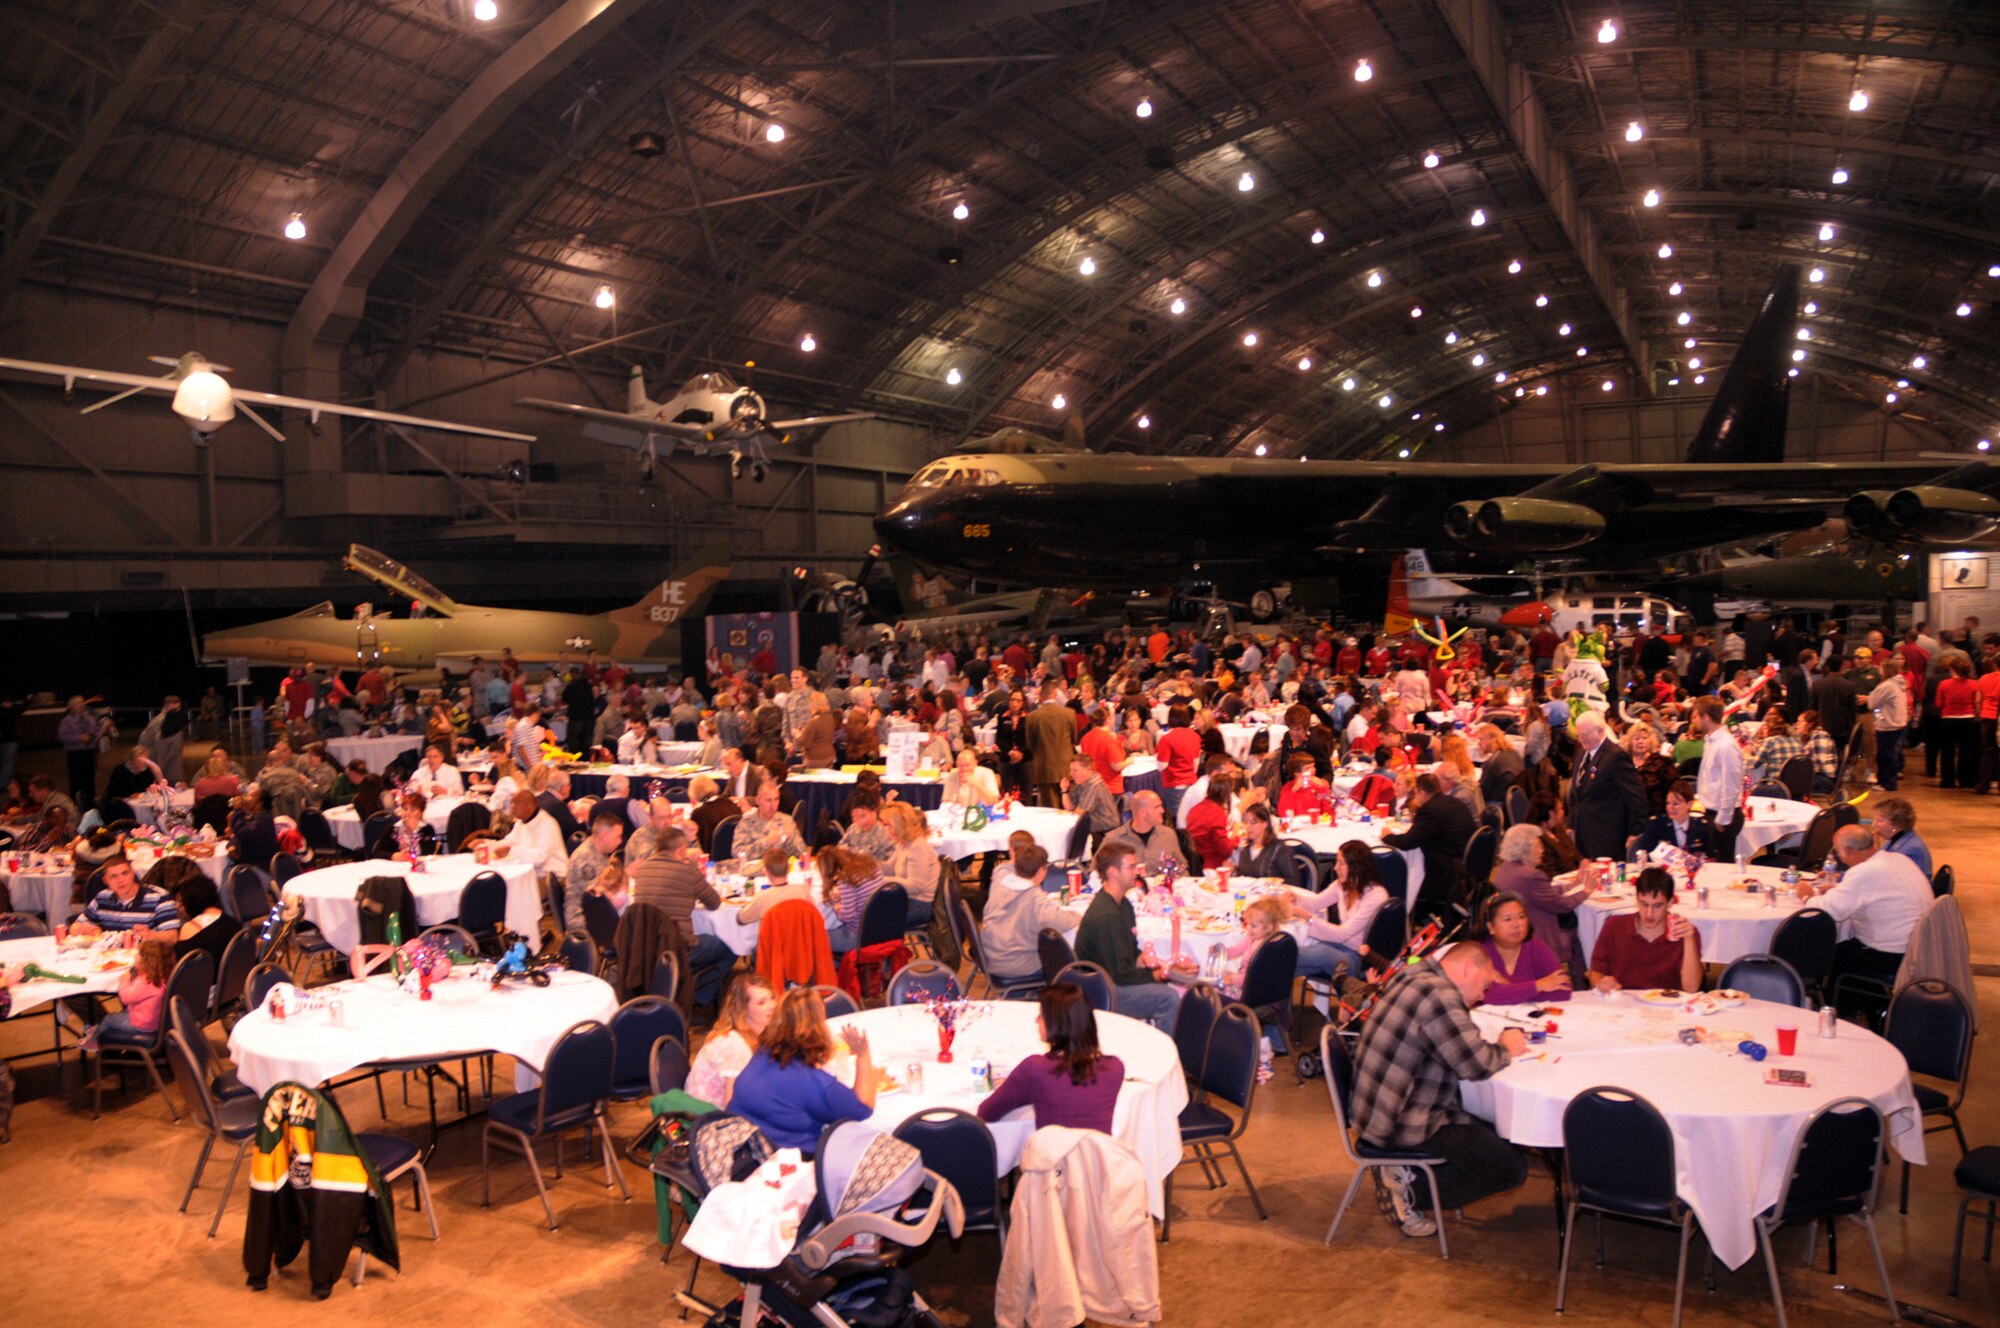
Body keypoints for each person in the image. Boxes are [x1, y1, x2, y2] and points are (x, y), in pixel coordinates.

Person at [1349, 942, 1527, 1238]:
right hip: (1402, 1122)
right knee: (1510, 1168)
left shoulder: (1417, 974)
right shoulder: (1440, 996)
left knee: (1496, 1131)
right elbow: (1476, 1065)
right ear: (1469, 967)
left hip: (1377, 1110)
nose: (1482, 996)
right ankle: (1409, 1191)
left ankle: (1405, 1174)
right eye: (1483, 986)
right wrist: (1507, 1048)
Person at [729, 988, 877, 1153]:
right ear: (819, 1028)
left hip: (741, 1147)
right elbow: (863, 1107)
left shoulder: (763, 1053)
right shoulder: (811, 1081)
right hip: (787, 1162)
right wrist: (864, 1056)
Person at [978, 981, 1125, 1134]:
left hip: (1052, 1157)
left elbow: (987, 1113)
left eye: (1041, 1015)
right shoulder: (1115, 1068)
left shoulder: (1035, 1069)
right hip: (1098, 1157)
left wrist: (1020, 1087)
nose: (1036, 1020)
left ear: (1056, 1024)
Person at [1797, 824, 1932, 990]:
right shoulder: (1899, 859)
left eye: (1839, 852)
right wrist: (1840, 890)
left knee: (1821, 953)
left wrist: (1807, 895)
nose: (1840, 857)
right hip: (1918, 948)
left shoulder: (1865, 872)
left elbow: (1827, 912)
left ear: (1849, 851)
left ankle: (1833, 1005)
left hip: (1889, 955)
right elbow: (1872, 893)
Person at [1073, 840, 1183, 1032]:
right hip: (1102, 990)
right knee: (1169, 998)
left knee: (1174, 981)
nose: (1137, 871)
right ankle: (1164, 1055)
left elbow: (1129, 952)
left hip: (1111, 978)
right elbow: (1121, 975)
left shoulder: (1123, 904)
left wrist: (1150, 962)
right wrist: (1158, 974)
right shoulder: (1107, 916)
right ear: (1113, 871)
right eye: (1131, 867)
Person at [626, 827, 733, 1004]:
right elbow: (714, 902)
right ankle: (700, 995)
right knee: (730, 944)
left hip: (645, 945)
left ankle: (685, 988)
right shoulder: (687, 870)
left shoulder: (642, 869)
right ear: (681, 850)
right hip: (679, 946)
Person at [1586, 867, 1702, 994]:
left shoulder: (1683, 932)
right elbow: (1596, 972)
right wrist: (1601, 982)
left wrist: (1689, 940)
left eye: (1657, 906)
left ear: (1670, 903)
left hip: (1667, 1004)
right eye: (1644, 904)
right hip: (1624, 1003)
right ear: (1636, 900)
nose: (1649, 913)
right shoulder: (1614, 926)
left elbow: (1691, 988)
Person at [1490, 822, 1585, 971]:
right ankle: (1580, 983)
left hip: (1516, 930)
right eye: (1538, 846)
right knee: (1583, 931)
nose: (1542, 851)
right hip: (1540, 934)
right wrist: (1587, 891)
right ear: (1524, 850)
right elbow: (1562, 905)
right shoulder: (1532, 876)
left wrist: (1571, 885)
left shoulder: (1504, 869)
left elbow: (1541, 893)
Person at [1381, 773, 1475, 923]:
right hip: (1463, 864)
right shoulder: (1455, 802)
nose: (1415, 797)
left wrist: (1387, 836)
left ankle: (1404, 914)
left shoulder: (1430, 810)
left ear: (1423, 793)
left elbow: (1407, 843)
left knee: (1405, 868)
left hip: (1444, 871)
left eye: (1416, 793)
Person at [1288, 840, 1388, 980]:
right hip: (1339, 947)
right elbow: (1316, 903)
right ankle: (1272, 992)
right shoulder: (1342, 886)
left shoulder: (1375, 895)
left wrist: (1308, 918)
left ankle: (1268, 957)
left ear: (1355, 866)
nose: (1335, 868)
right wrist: (1295, 898)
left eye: (1341, 863)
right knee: (1289, 967)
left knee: (1318, 952)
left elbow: (1342, 934)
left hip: (1359, 958)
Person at [978, 841, 1071, 987]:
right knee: (1064, 958)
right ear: (1041, 870)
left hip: (992, 956)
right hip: (1017, 965)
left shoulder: (1002, 885)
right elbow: (1059, 922)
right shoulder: (1033, 896)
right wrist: (1079, 916)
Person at [1565, 711, 1648, 861]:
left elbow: (1637, 798)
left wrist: (1635, 832)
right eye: (1579, 735)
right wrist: (1571, 824)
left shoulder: (1616, 756)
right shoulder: (1581, 754)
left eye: (1585, 735)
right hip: (1583, 835)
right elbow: (1575, 795)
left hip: (1608, 837)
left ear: (1600, 731)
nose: (1581, 739)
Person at [685, 973, 777, 1109]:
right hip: (712, 1119)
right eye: (761, 1002)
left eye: (772, 998)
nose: (772, 1006)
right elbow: (732, 1104)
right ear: (743, 1010)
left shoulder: (748, 1035)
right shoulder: (734, 1046)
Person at [77, 938, 175, 1054]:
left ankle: (94, 1041)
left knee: (109, 1019)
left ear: (147, 961)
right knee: (121, 1014)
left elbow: (125, 998)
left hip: (142, 1025)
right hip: (155, 1022)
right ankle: (98, 1028)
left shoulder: (147, 982)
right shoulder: (162, 978)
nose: (135, 958)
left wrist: (125, 980)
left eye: (138, 955)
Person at [1476, 892, 1571, 1005]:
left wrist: (1509, 987)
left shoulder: (1536, 946)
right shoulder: (1479, 952)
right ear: (1490, 927)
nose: (1517, 924)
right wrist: (1539, 985)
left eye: (1521, 917)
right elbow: (1487, 996)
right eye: (1508, 919)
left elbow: (1564, 990)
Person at [817, 845, 887, 958]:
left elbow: (847, 916)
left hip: (859, 935)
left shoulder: (845, 879)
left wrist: (836, 905)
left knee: (813, 936)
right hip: (882, 927)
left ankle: (833, 970)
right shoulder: (870, 864)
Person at [563, 809, 626, 933]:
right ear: (603, 835)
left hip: (595, 912)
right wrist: (626, 875)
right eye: (617, 837)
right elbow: (600, 899)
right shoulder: (585, 858)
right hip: (582, 919)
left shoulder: (599, 851)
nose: (620, 841)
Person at [880, 802, 939, 927]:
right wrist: (866, 865)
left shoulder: (918, 847)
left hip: (920, 905)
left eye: (887, 825)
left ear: (899, 826)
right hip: (908, 899)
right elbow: (889, 868)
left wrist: (882, 880)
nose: (885, 828)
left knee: (873, 919)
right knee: (866, 911)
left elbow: (915, 886)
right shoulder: (904, 843)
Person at [1101, 789, 1187, 875]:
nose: (1162, 810)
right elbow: (1096, 872)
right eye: (1157, 807)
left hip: (1163, 886)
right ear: (1142, 813)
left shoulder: (1168, 835)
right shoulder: (1113, 839)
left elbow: (1182, 869)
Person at [1632, 779, 1716, 859]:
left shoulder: (1702, 827)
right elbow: (1645, 854)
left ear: (1689, 804)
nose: (1670, 808)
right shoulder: (1656, 825)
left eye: (1676, 804)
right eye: (1668, 803)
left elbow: (1708, 856)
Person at [1025, 683, 1078, 807]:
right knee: (1069, 805)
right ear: (1055, 694)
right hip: (1066, 766)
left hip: (1044, 767)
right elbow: (1074, 739)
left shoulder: (1032, 717)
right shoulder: (1069, 713)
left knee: (1050, 808)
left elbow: (1030, 744)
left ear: (1041, 695)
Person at [731, 779, 806, 864]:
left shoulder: (786, 820)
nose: (773, 805)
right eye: (768, 800)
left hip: (780, 871)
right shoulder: (747, 823)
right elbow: (737, 853)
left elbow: (802, 852)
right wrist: (767, 841)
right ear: (758, 800)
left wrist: (790, 839)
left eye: (776, 799)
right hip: (754, 872)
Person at [500, 789, 570, 880]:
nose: (513, 807)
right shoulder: (520, 823)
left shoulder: (546, 824)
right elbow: (508, 841)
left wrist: (511, 851)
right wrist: (488, 845)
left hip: (552, 879)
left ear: (531, 805)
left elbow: (540, 859)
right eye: (512, 803)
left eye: (517, 803)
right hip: (531, 874)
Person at [1061, 753, 1119, 851]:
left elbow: (1079, 814)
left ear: (1088, 769)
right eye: (1071, 770)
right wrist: (1064, 791)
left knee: (1068, 830)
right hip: (1094, 821)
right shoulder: (1081, 782)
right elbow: (1070, 807)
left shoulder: (1094, 785)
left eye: (1075, 770)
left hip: (1105, 825)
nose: (1071, 774)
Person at [1184, 772, 1238, 870]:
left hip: (1194, 861)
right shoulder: (1217, 813)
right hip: (1212, 864)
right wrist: (1235, 838)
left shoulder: (1195, 809)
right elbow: (1226, 850)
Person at [1234, 803, 1298, 885]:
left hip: (1273, 896)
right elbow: (1241, 877)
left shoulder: (1278, 849)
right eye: (1246, 822)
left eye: (1253, 822)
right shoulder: (1245, 851)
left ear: (1265, 824)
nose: (1248, 827)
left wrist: (1271, 885)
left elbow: (1294, 880)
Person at [1870, 796, 1932, 878]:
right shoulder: (1894, 840)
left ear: (1896, 824)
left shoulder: (1912, 850)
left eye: (1880, 820)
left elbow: (1888, 877)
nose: (1874, 825)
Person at [1474, 724, 1526, 808]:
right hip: (1516, 804)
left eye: (1481, 739)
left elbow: (1482, 793)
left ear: (1492, 739)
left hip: (1497, 808)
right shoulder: (1514, 753)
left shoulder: (1493, 762)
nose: (1478, 744)